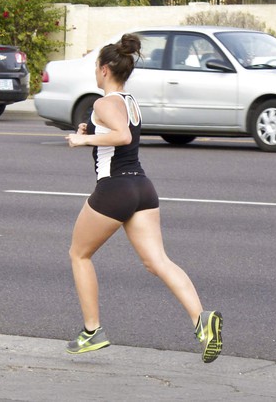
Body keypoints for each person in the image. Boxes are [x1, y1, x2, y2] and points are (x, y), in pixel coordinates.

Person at [65, 33, 223, 363]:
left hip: (114, 189)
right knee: (157, 262)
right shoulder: (130, 101)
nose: (95, 72)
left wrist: (80, 142)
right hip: (142, 188)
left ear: (105, 69)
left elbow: (120, 136)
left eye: (96, 67)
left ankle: (92, 331)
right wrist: (91, 135)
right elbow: (121, 132)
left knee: (79, 254)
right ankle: (202, 322)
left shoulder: (102, 102)